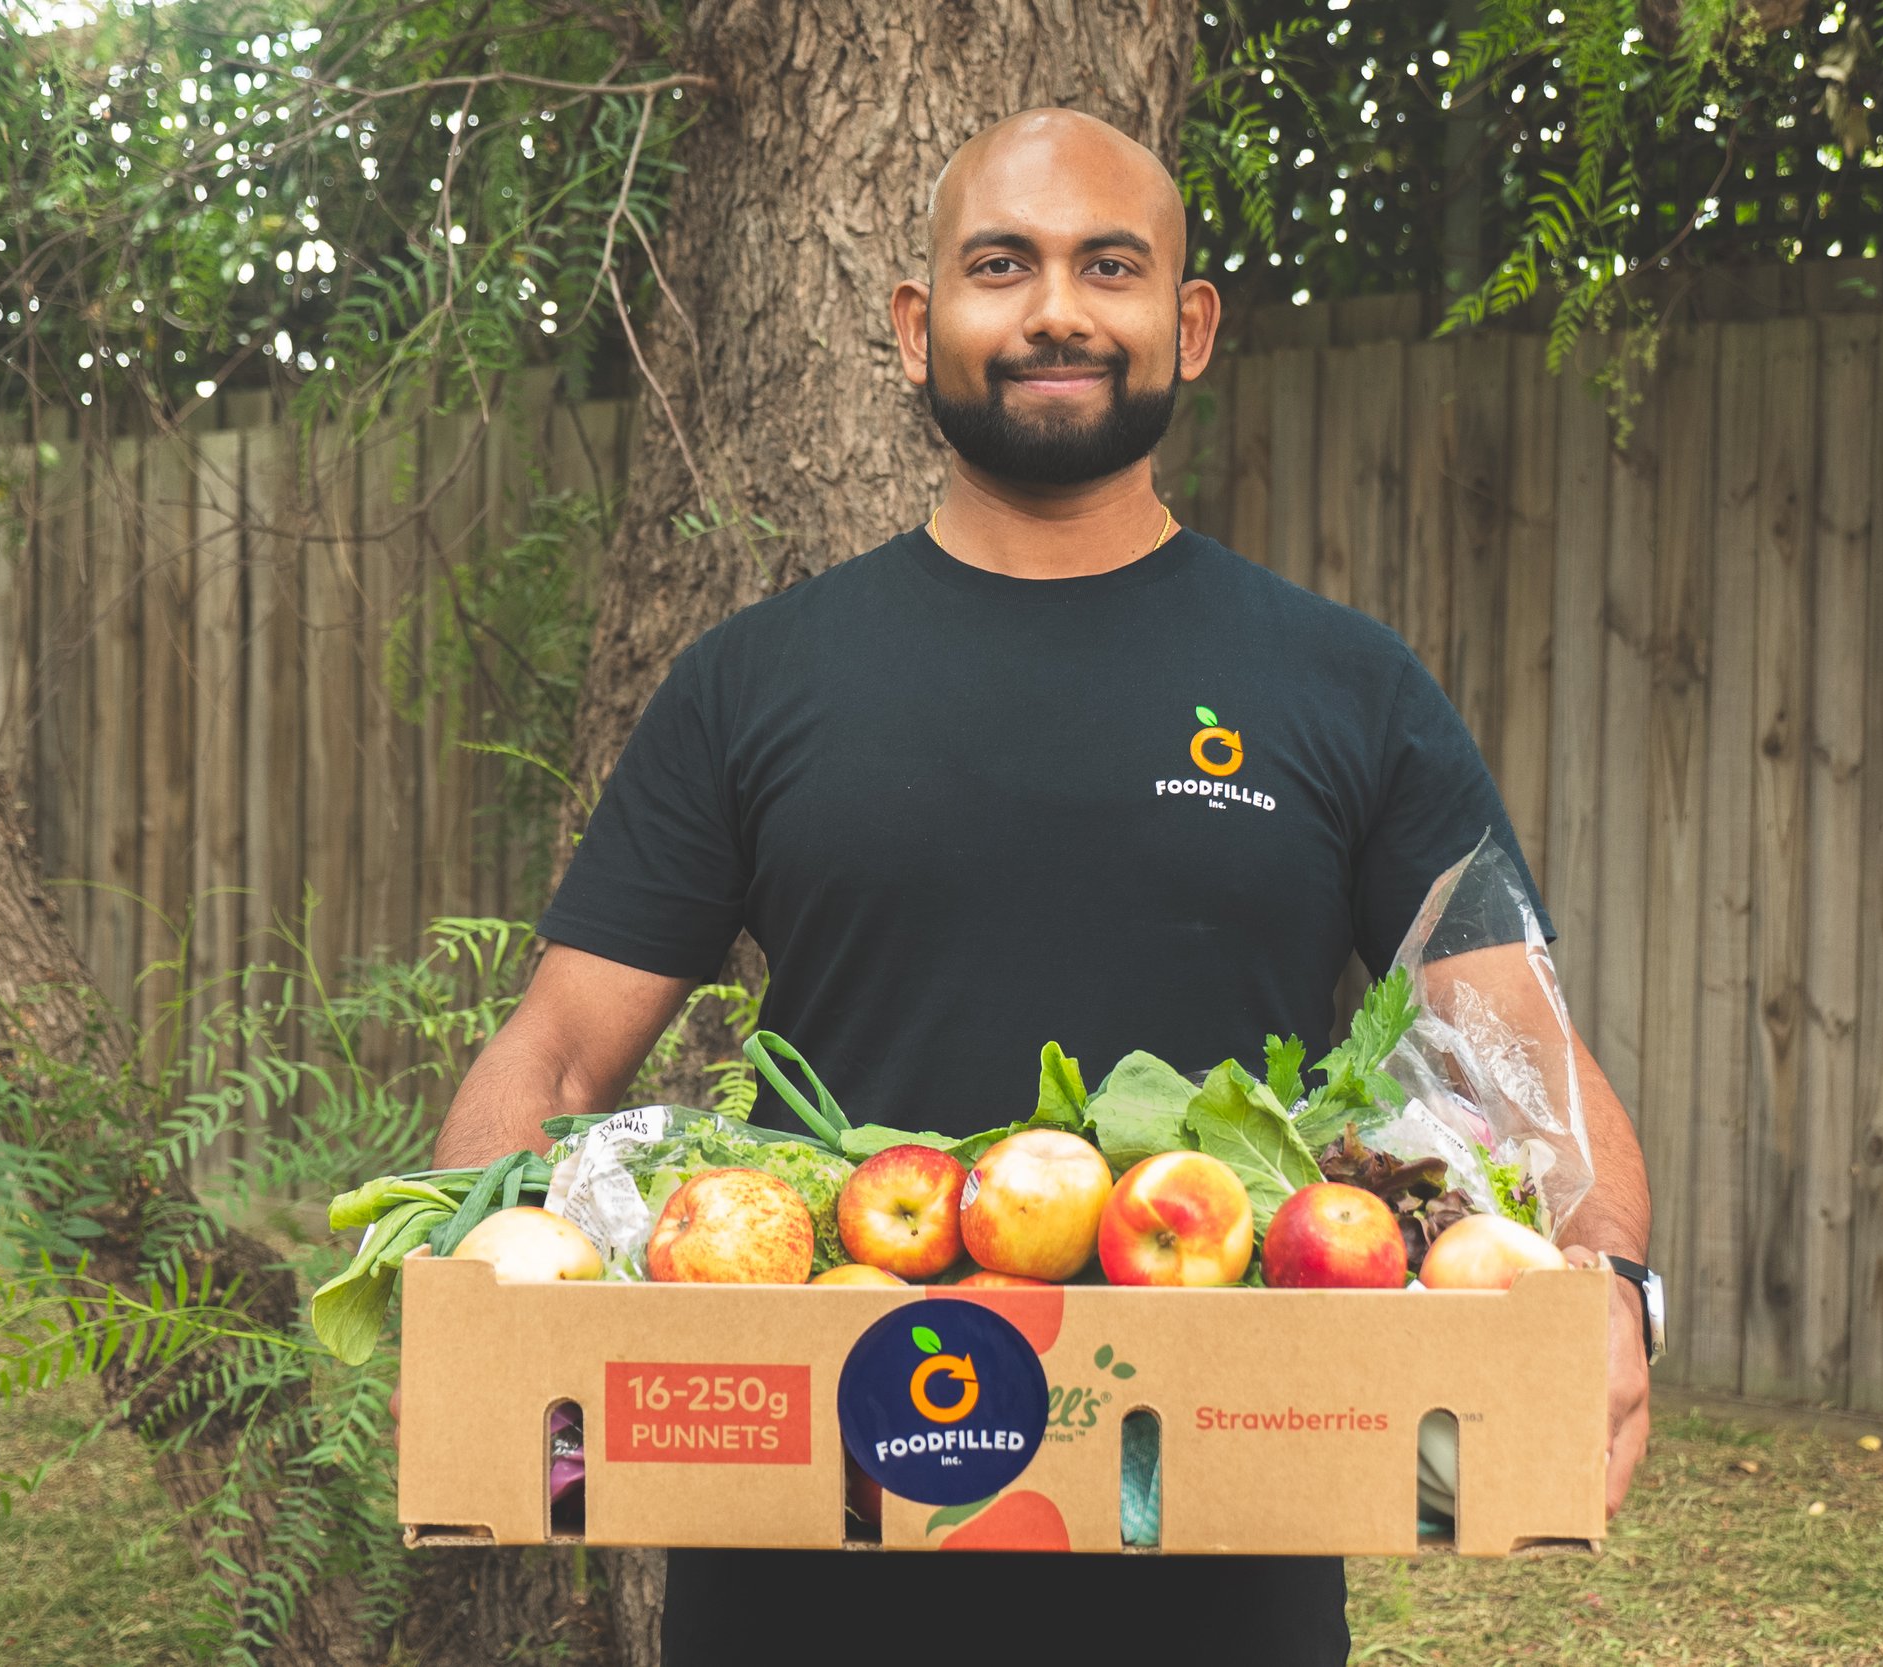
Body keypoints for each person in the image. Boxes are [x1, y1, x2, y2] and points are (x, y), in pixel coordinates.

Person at [429, 107, 1655, 1667]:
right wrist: (475, 1262)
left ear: (1188, 325)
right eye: (1001, 265)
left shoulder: (1344, 689)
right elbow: (561, 1047)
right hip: (813, 1547)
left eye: (1110, 267)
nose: (1057, 310)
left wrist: (1610, 1281)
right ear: (914, 324)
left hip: (1217, 1550)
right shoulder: (755, 683)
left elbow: (1531, 1062)